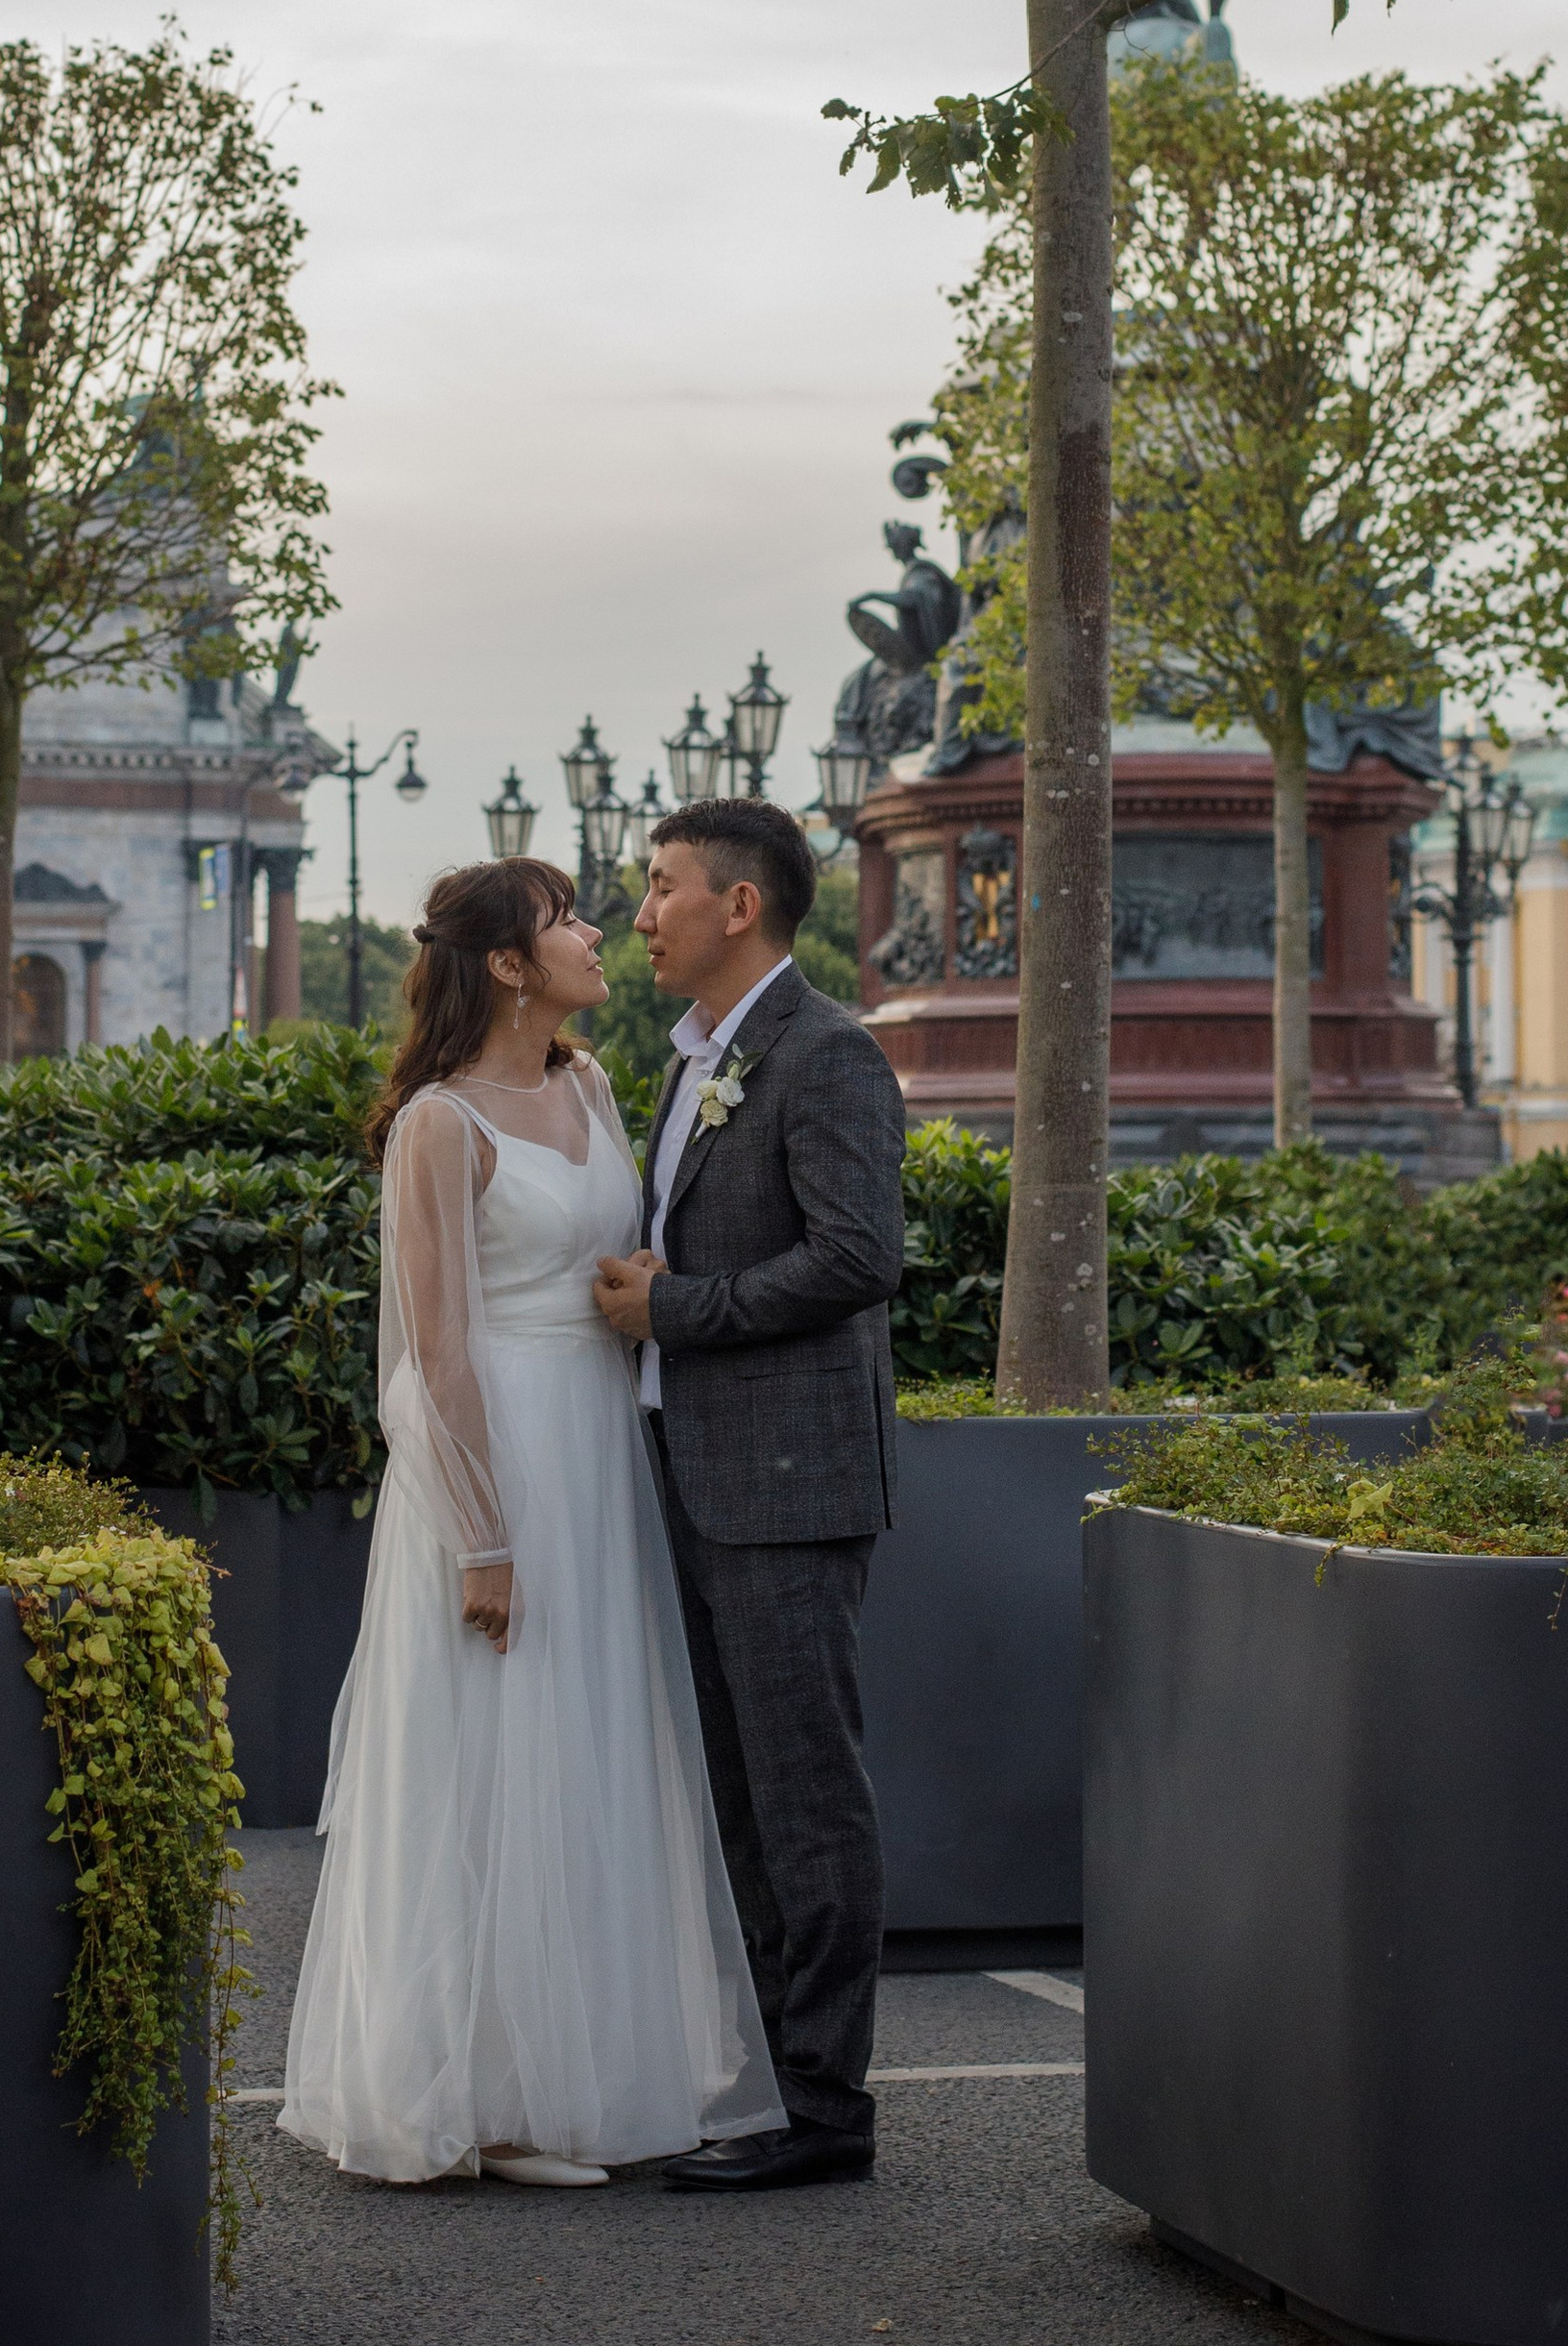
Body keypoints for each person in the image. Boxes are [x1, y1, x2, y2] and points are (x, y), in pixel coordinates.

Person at [279, 855, 783, 2189]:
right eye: (565, 918)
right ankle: (481, 2096)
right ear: (506, 961)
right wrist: (482, 1530)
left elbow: (616, 1254)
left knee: (592, 1745)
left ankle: (576, 2074)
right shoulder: (441, 1122)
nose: (596, 930)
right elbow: (434, 1353)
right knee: (491, 1756)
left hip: (603, 1446)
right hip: (500, 1454)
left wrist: (650, 1283)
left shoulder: (595, 1084)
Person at [593, 796, 909, 2195]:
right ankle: (782, 2082)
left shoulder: (827, 1053)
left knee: (806, 1797)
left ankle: (828, 2107)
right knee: (742, 1798)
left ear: (741, 906)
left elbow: (858, 1257)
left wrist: (680, 1309)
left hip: (788, 1483)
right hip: (699, 1476)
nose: (640, 910)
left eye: (661, 885)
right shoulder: (689, 1059)